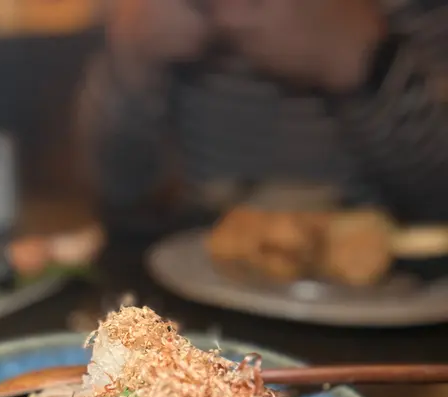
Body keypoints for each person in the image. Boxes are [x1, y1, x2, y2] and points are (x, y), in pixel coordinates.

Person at [78, 0, 448, 231]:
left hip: (385, 288)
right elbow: (118, 191)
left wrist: (370, 63)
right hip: (193, 268)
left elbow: (438, 203)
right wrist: (131, 58)